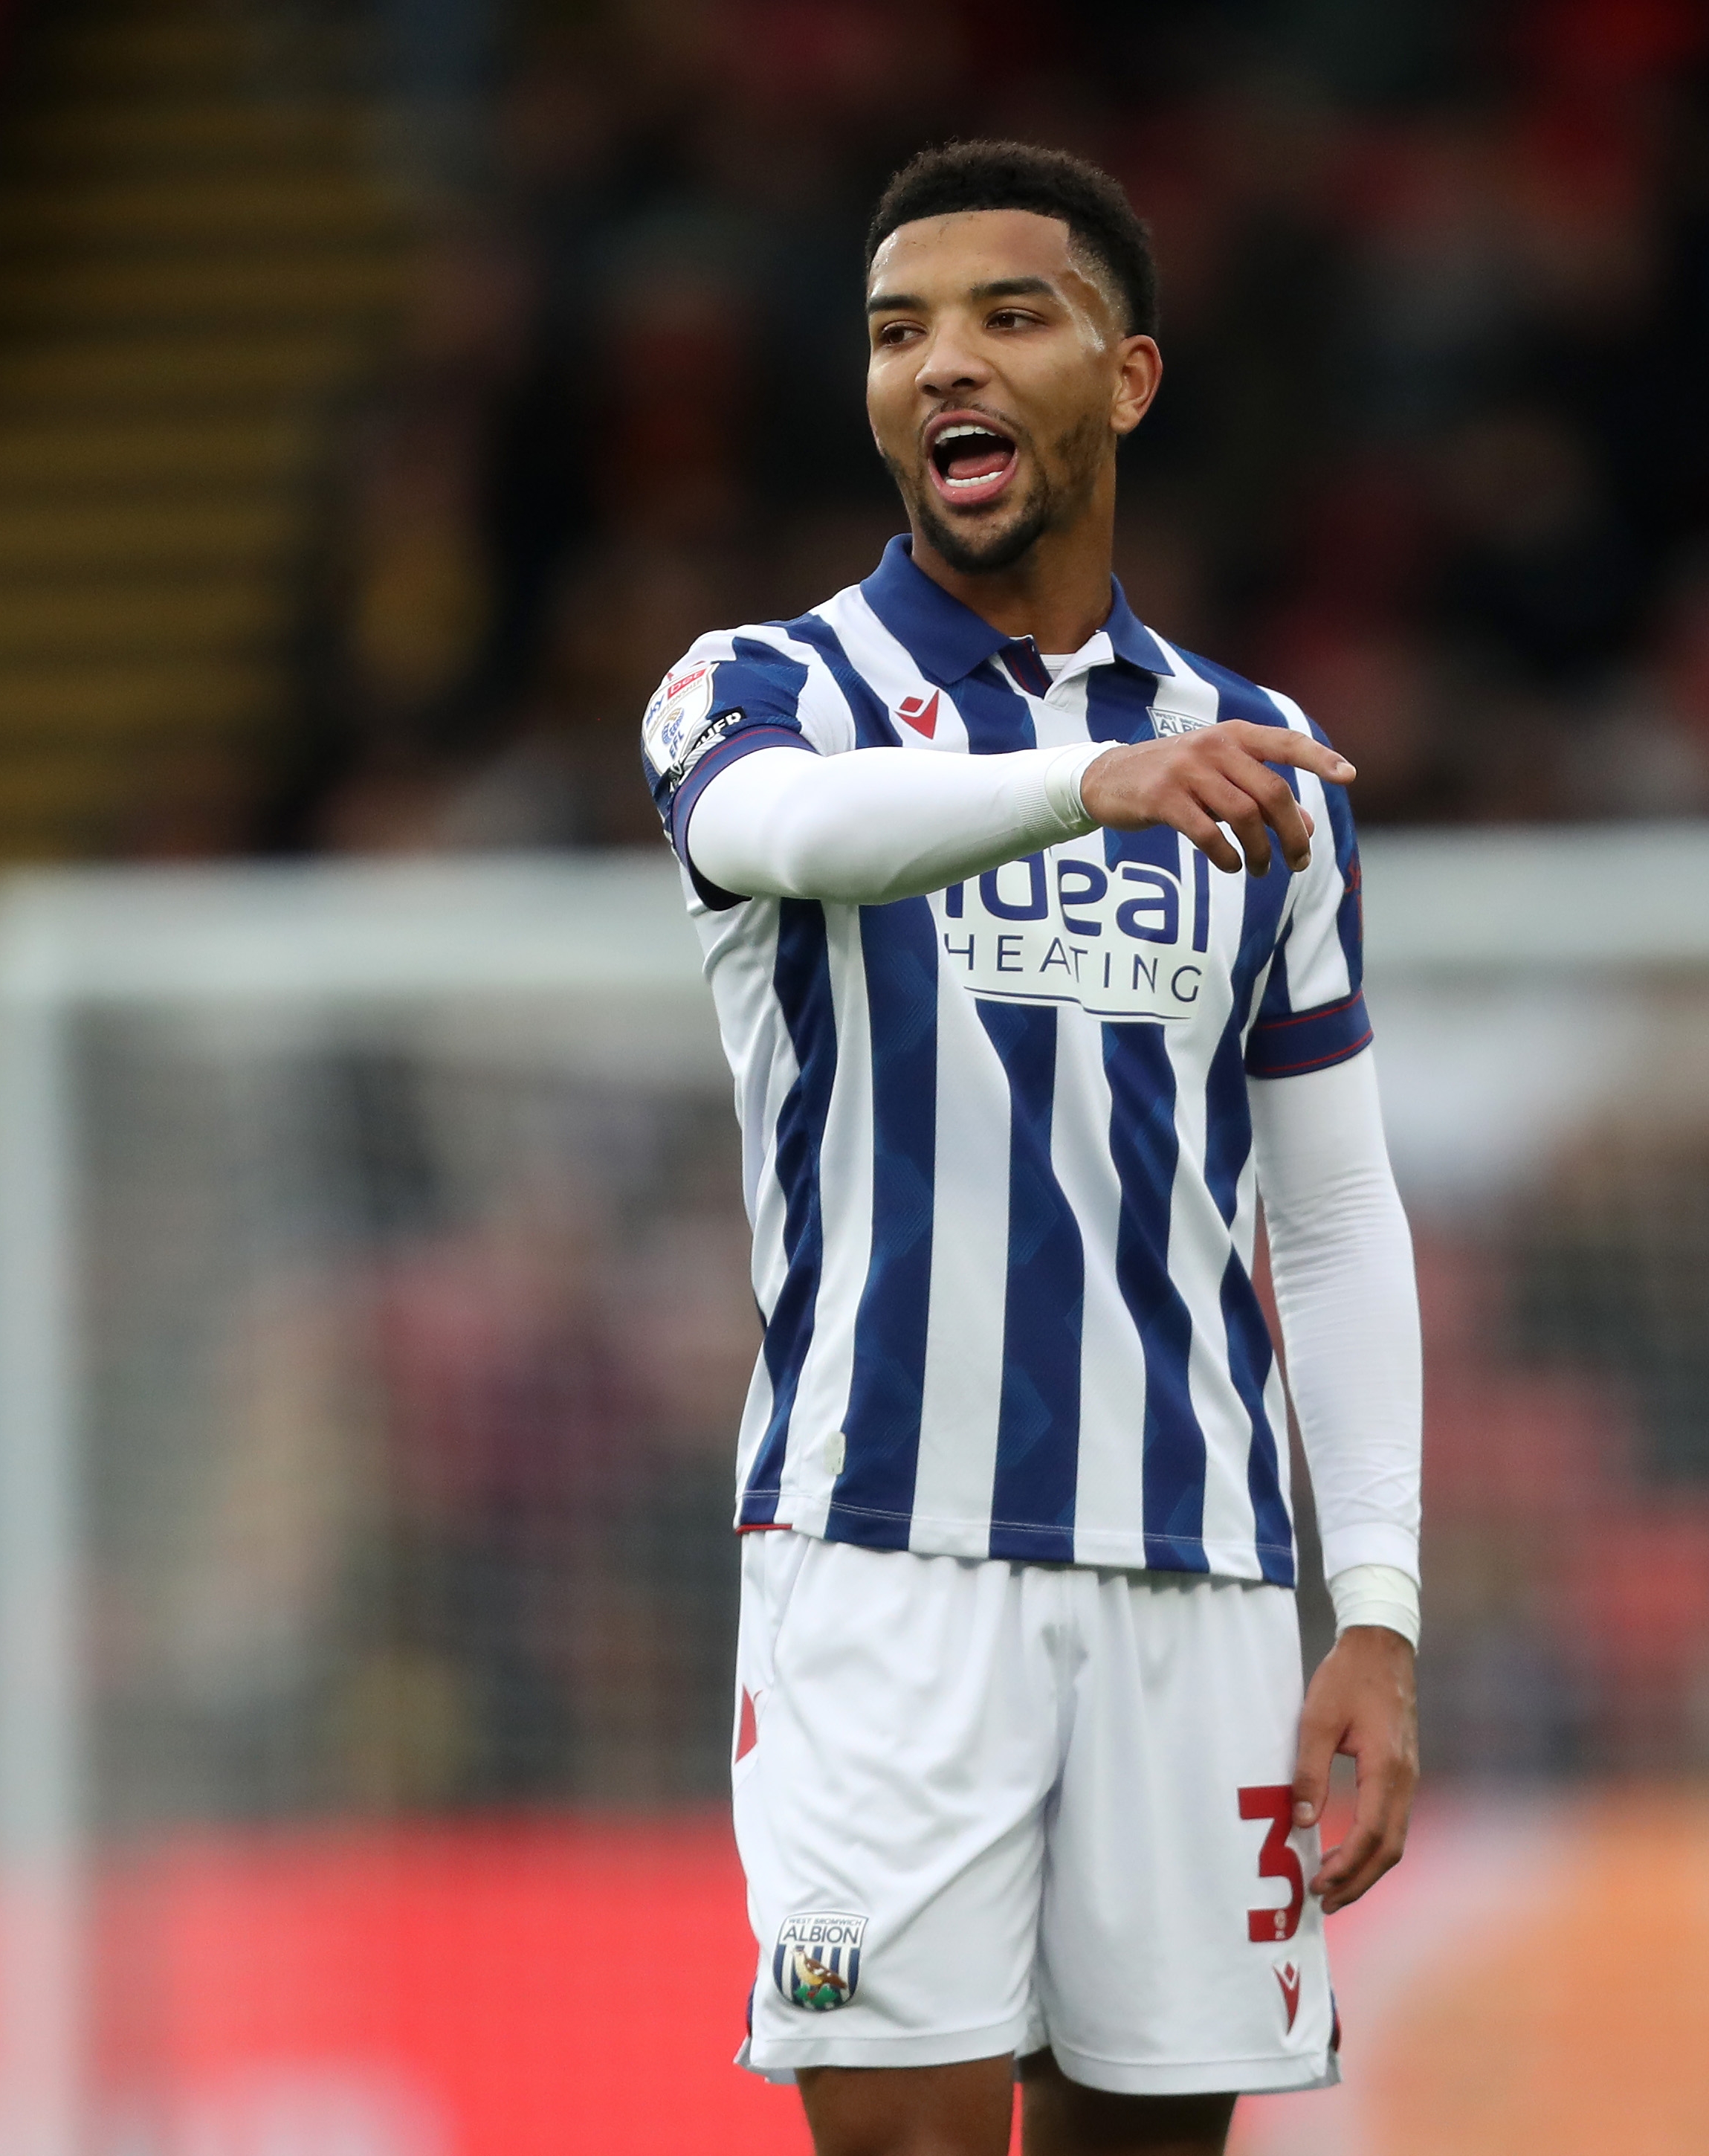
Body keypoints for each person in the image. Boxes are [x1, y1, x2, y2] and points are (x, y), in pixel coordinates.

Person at [635, 141, 1424, 2156]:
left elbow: (1327, 1218)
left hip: (1204, 1574)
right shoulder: (763, 690)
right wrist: (1090, 782)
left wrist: (1382, 1608)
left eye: (1006, 316)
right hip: (887, 1561)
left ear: (1129, 376)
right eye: (899, 333)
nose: (940, 367)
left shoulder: (1259, 766)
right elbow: (777, 835)